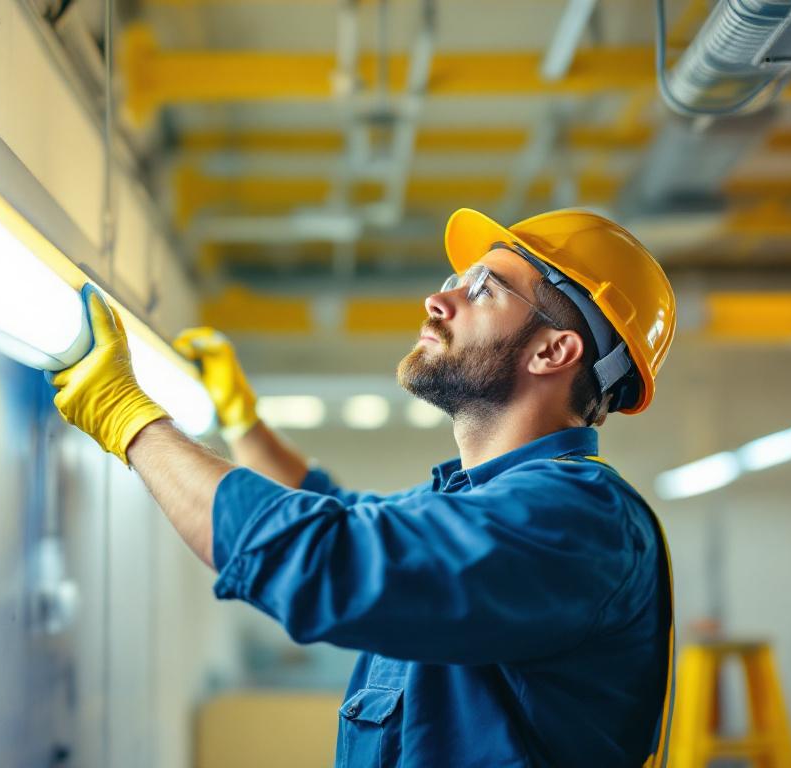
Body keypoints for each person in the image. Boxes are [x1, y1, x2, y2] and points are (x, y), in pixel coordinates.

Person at [50, 207, 678, 767]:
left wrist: (130, 418)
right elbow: (341, 516)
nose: (439, 299)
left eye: (484, 289)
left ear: (553, 351)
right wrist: (244, 424)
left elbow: (331, 557)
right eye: (455, 279)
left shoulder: (579, 521)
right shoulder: (480, 502)